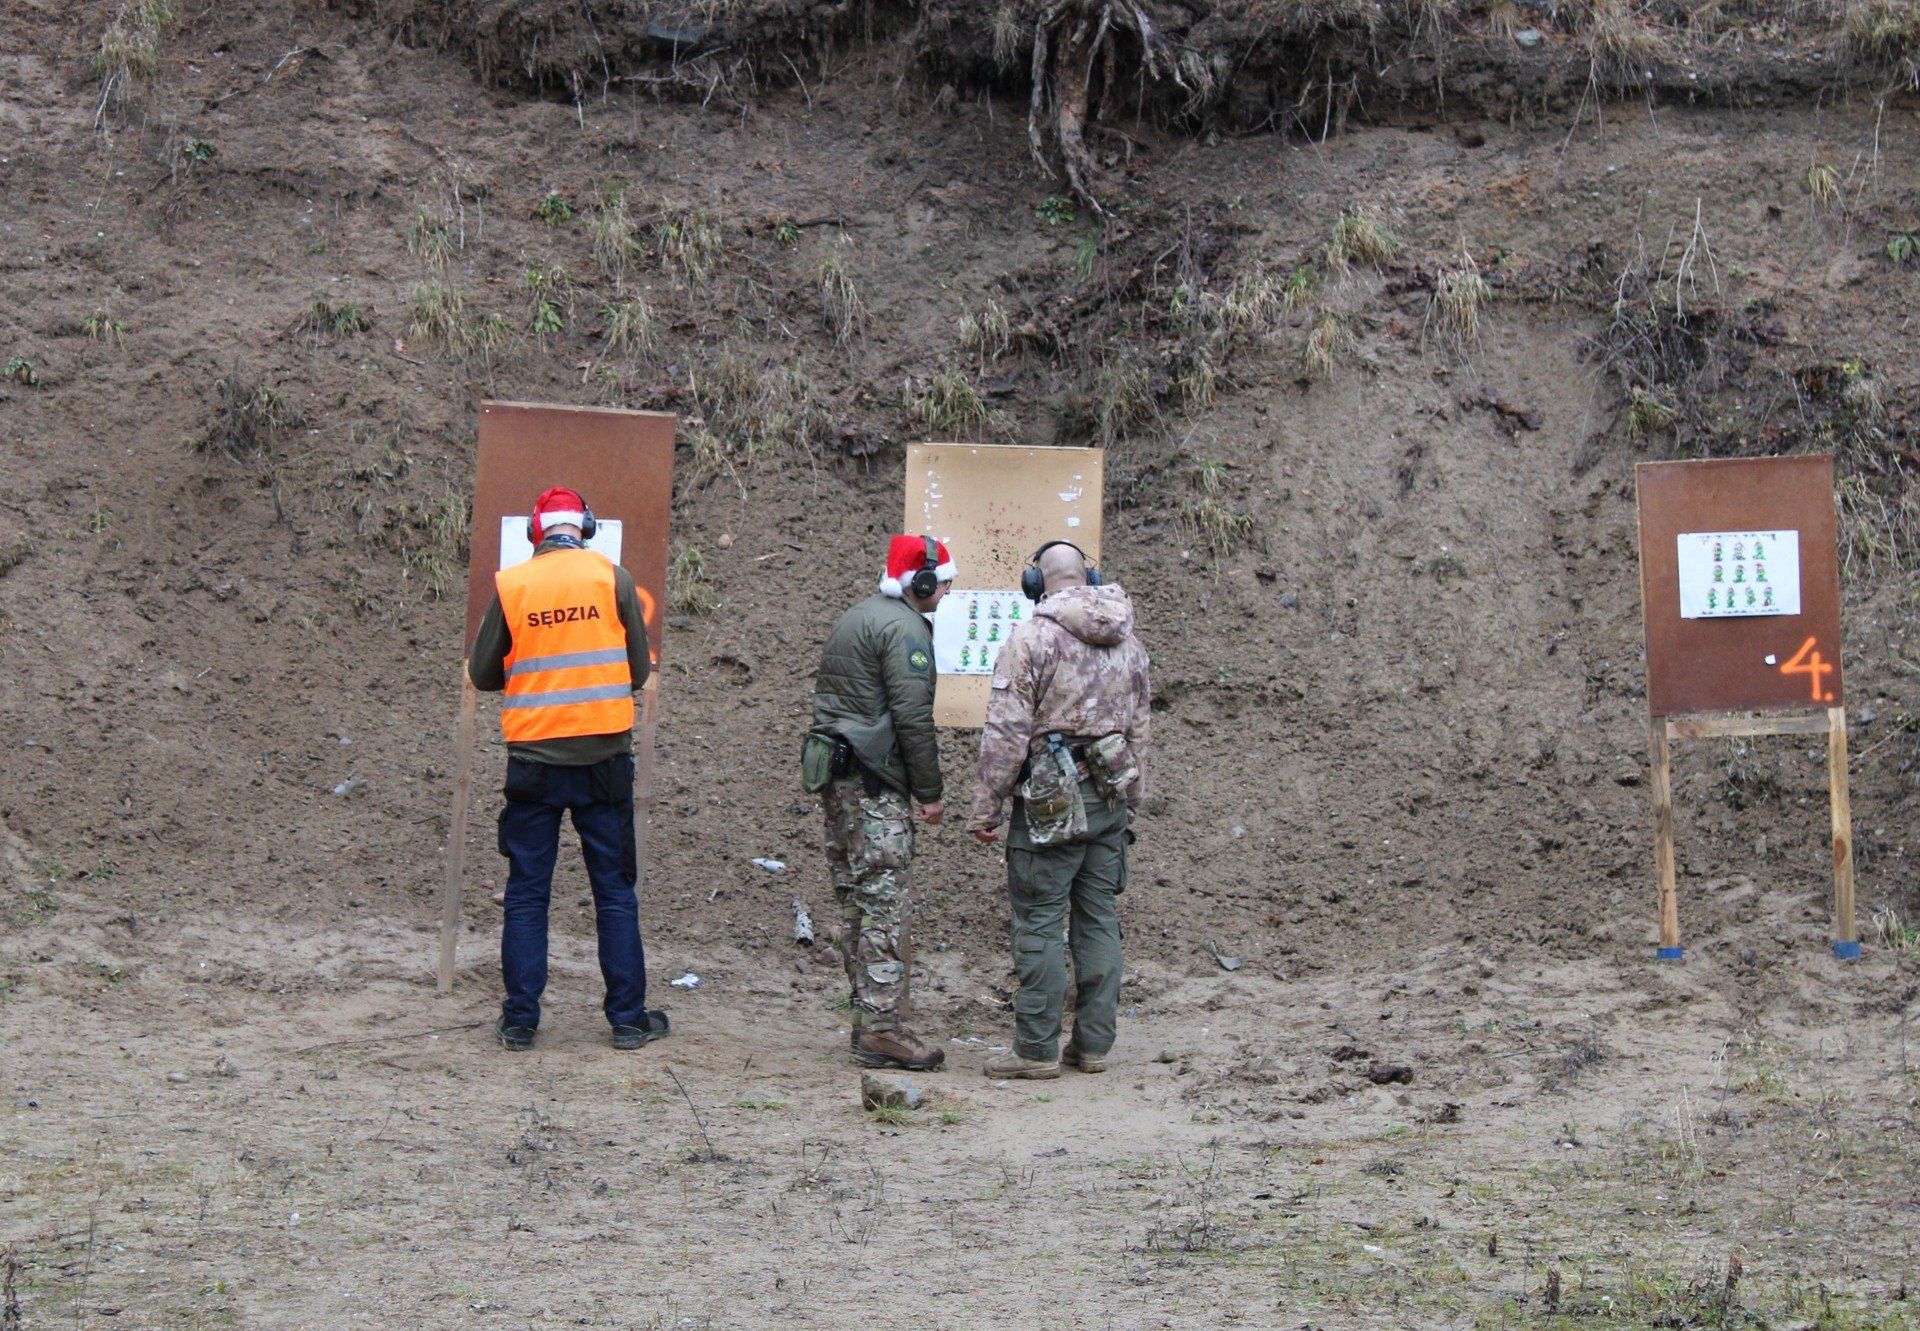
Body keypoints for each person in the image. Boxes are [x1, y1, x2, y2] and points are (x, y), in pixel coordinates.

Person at [468, 486, 669, 1053]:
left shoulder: (514, 584)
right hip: (605, 761)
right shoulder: (615, 577)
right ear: (584, 527)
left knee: (528, 893)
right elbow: (635, 672)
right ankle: (627, 1019)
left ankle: (520, 1021)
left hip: (533, 762)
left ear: (536, 532)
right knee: (614, 893)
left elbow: (484, 674)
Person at [967, 541, 1150, 1080]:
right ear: (1088, 576)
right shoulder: (1129, 642)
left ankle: (1037, 1053)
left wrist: (986, 808)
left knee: (1041, 924)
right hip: (1112, 793)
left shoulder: (1032, 639)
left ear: (1035, 582)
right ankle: (1093, 1047)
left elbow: (1005, 733)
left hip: (1049, 801)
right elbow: (1141, 729)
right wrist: (1134, 801)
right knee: (1099, 920)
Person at [808, 534, 955, 1070]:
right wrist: (931, 794)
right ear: (920, 580)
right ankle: (883, 1030)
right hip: (874, 785)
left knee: (855, 901)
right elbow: (914, 720)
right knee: (884, 907)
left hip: (839, 779)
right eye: (942, 583)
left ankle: (868, 1020)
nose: (944, 593)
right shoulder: (905, 628)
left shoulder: (857, 616)